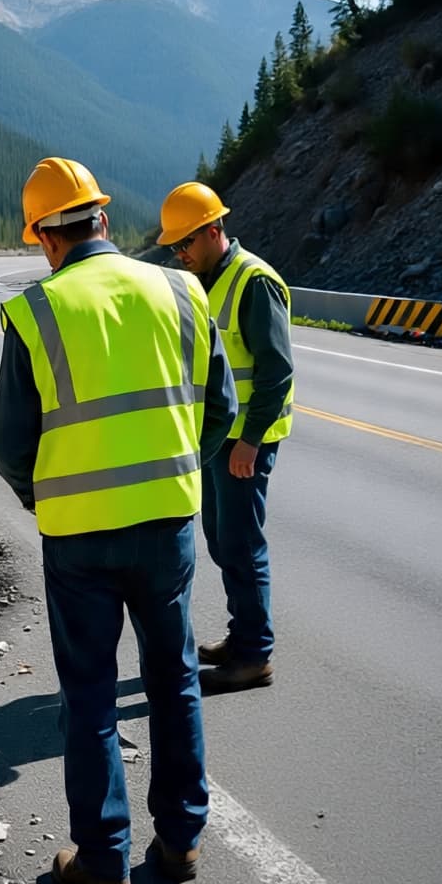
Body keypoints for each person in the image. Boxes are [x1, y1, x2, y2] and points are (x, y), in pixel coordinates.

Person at [0, 157, 236, 884]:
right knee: (173, 677)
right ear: (102, 217)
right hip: (168, 527)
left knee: (91, 694)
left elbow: (7, 441)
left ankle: (103, 861)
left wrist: (44, 493)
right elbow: (220, 409)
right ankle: (182, 839)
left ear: (44, 238)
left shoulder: (36, 310)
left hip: (80, 538)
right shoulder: (183, 288)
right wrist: (174, 466)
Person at [158, 181, 295, 693]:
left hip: (245, 446)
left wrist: (251, 441)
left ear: (214, 231)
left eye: (186, 243)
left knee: (241, 546)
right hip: (221, 441)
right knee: (222, 540)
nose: (180, 253)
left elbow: (276, 372)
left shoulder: (253, 282)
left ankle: (254, 656)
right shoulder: (208, 281)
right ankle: (242, 639)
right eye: (174, 246)